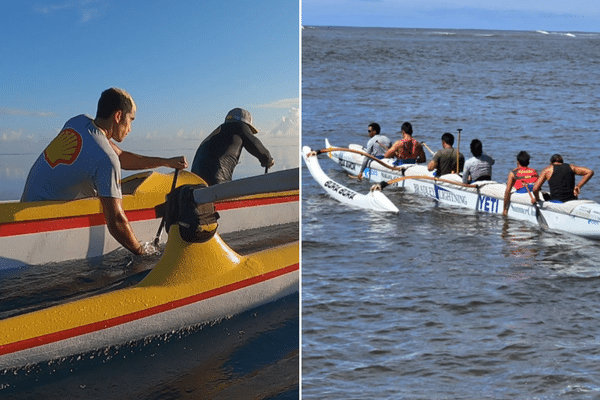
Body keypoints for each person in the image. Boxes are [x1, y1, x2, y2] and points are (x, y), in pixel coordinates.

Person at [21, 87, 188, 255]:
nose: (130, 128)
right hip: (38, 225)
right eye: (131, 119)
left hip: (24, 206)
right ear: (118, 116)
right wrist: (141, 252)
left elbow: (120, 156)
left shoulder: (78, 122)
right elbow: (115, 221)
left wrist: (166, 162)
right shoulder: (106, 159)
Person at [191, 108, 274, 186]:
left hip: (196, 182)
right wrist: (268, 160)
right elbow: (255, 144)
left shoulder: (217, 133)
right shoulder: (239, 126)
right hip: (217, 182)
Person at [502, 151, 539, 215]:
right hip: (533, 191)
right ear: (528, 162)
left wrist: (505, 208)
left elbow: (507, 191)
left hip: (522, 191)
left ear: (518, 162)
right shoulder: (534, 171)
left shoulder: (513, 173)